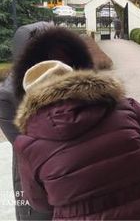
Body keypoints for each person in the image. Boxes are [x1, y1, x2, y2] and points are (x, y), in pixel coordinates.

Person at [14, 60, 140, 219]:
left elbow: (39, 202)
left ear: (31, 98)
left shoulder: (28, 144)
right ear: (76, 78)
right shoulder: (125, 109)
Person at [0, 23, 95, 220]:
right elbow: (32, 145)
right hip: (37, 183)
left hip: (74, 180)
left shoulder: (62, 76)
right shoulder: (8, 96)